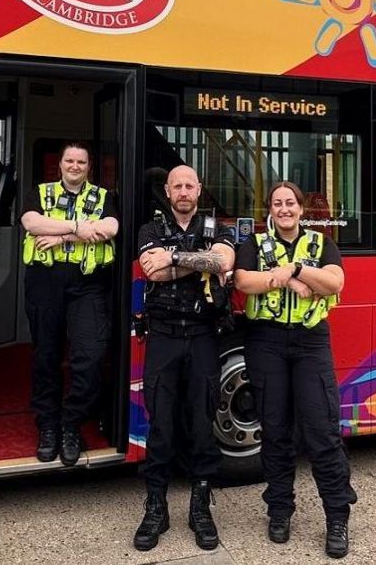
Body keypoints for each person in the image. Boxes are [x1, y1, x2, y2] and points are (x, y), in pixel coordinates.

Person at [233, 181, 357, 559]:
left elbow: (335, 281)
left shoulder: (322, 244)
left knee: (321, 431)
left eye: (290, 203)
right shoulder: (252, 245)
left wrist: (296, 268)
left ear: (301, 209)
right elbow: (243, 281)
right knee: (275, 430)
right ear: (268, 210)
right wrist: (287, 280)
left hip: (310, 345)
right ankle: (279, 511)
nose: (284, 209)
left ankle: (337, 516)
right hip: (266, 343)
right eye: (277, 204)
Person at [131, 165, 236, 553]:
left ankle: (200, 507)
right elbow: (151, 272)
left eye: (189, 185)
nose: (183, 191)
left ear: (199, 189)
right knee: (160, 424)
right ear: (167, 191)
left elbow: (223, 261)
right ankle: (156, 506)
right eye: (177, 185)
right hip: (163, 338)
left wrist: (173, 258)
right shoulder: (150, 229)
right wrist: (195, 260)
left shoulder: (217, 228)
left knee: (201, 423)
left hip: (204, 337)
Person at [18, 142, 120, 466]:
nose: (75, 166)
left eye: (81, 162)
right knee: (46, 357)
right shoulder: (41, 192)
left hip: (88, 286)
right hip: (45, 284)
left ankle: (70, 422)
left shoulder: (104, 197)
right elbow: (32, 223)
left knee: (88, 358)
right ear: (59, 165)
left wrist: (61, 236)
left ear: (89, 167)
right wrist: (78, 227)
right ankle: (48, 425)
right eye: (69, 161)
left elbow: (110, 228)